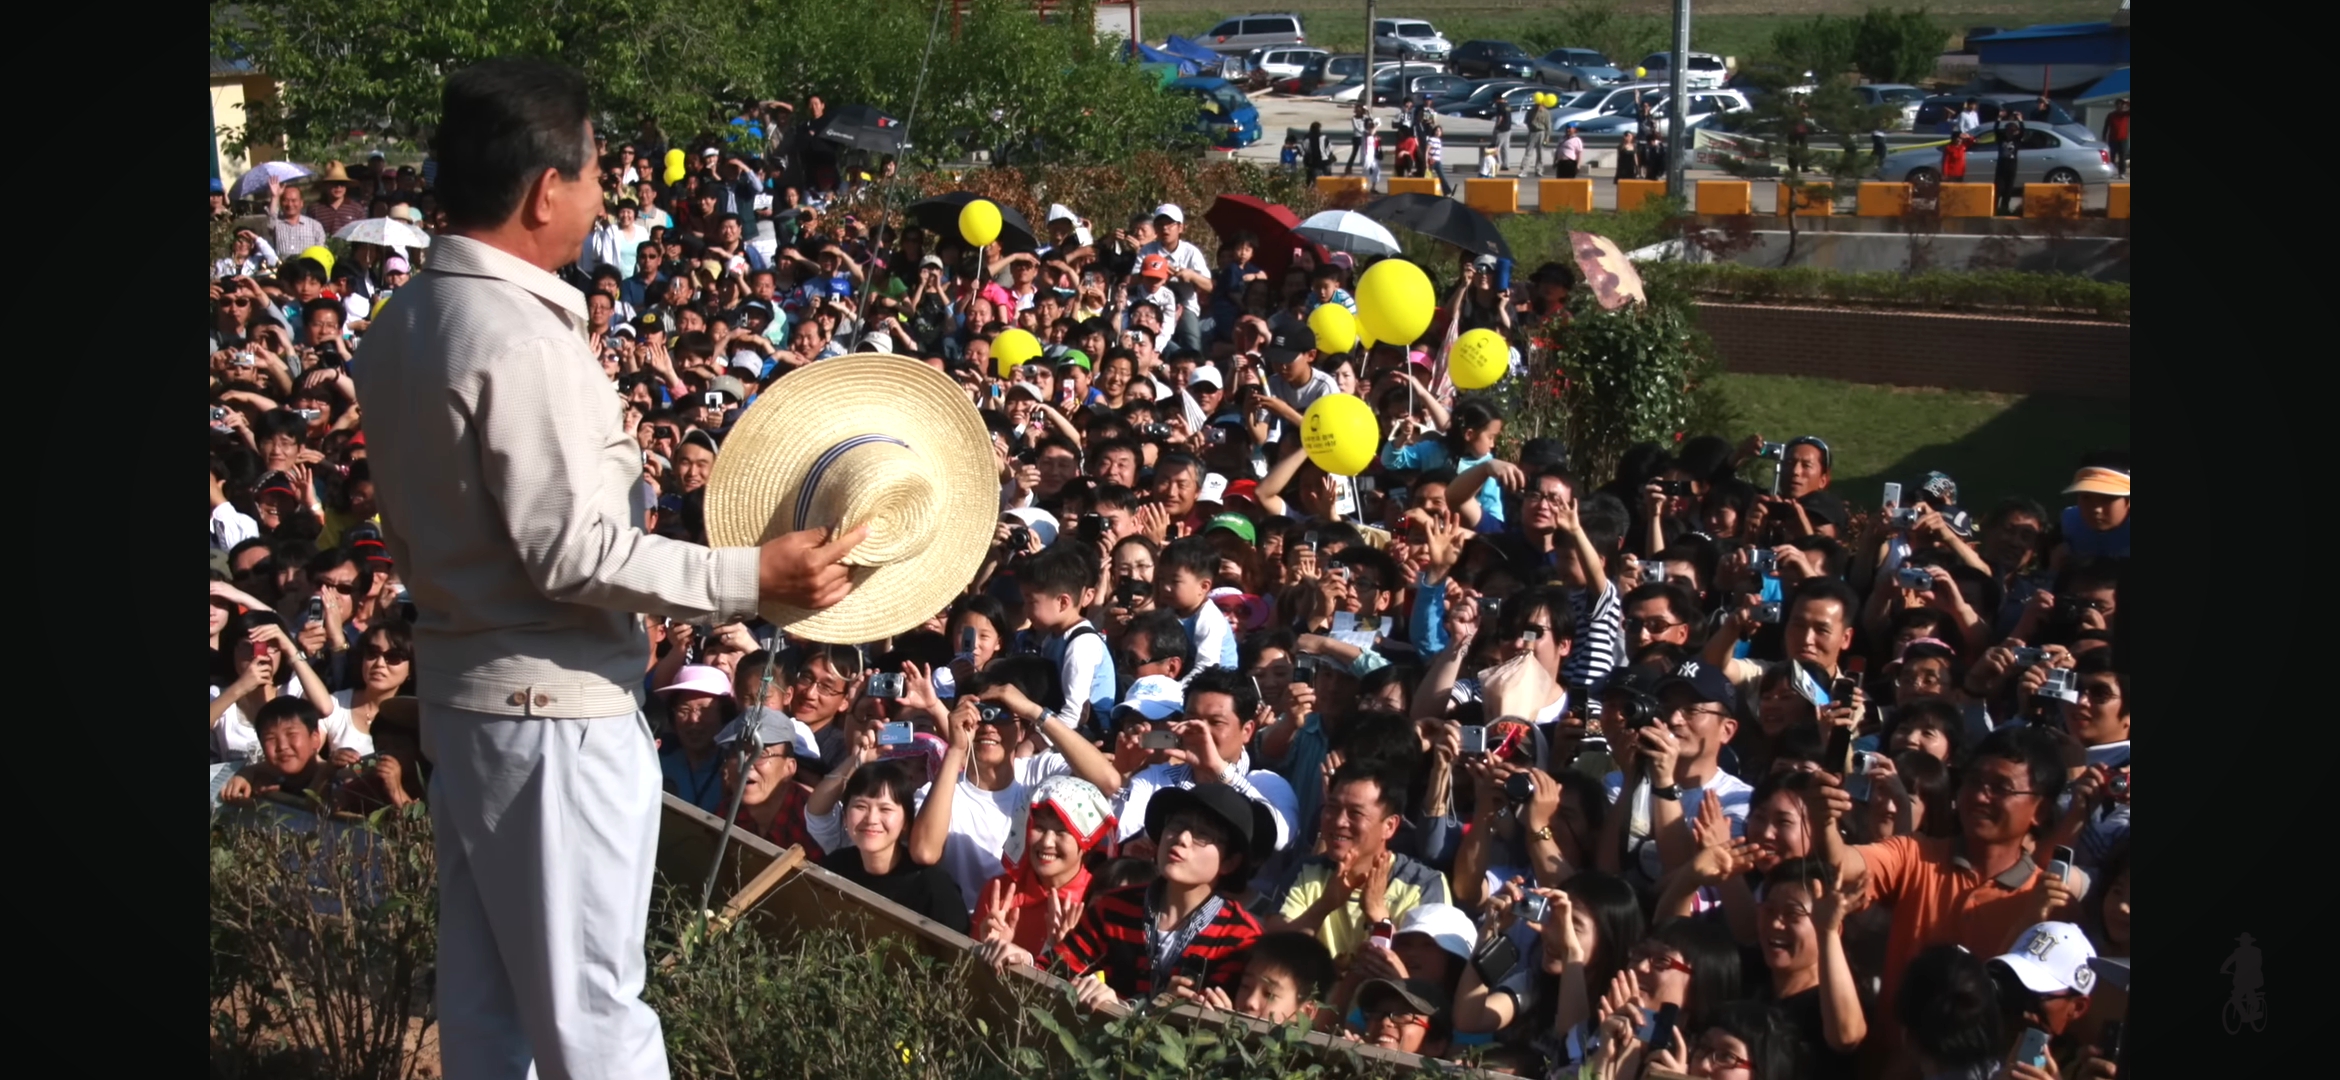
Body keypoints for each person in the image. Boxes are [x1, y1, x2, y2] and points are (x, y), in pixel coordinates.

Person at [353, 59, 869, 1079]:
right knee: (595, 1021)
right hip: (552, 716)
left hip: (472, 696)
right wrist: (749, 579)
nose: (600, 200)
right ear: (546, 187)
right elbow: (572, 550)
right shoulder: (514, 333)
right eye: (594, 175)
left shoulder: (406, 319)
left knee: (491, 1009)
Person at [1024, 783, 1273, 1008]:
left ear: (1229, 862)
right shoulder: (1114, 907)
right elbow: (1054, 972)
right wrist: (1022, 960)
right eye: (1177, 824)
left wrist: (1126, 1008)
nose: (1182, 838)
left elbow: (1216, 1026)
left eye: (1203, 834)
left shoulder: (1241, 937)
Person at [819, 758, 973, 933]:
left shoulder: (933, 886)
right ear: (845, 817)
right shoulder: (833, 869)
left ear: (906, 822)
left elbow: (958, 955)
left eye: (885, 809)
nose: (871, 819)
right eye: (860, 806)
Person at [1993, 107, 2026, 216]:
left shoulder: (2016, 140)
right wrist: (1999, 118)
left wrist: (2020, 120)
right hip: (2003, 165)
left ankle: (2004, 208)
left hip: (2010, 165)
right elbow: (1996, 130)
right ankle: (1995, 208)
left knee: (2008, 188)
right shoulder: (2002, 139)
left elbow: (2022, 132)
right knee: (1999, 188)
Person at [2101, 99, 2129, 178]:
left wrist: (2127, 102)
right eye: (2118, 105)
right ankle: (2111, 173)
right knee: (2112, 157)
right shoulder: (2111, 115)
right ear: (2116, 106)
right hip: (2112, 139)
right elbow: (2106, 127)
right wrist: (2104, 137)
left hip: (2123, 139)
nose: (2120, 106)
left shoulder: (2125, 114)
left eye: (2122, 105)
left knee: (2122, 157)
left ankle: (2121, 173)